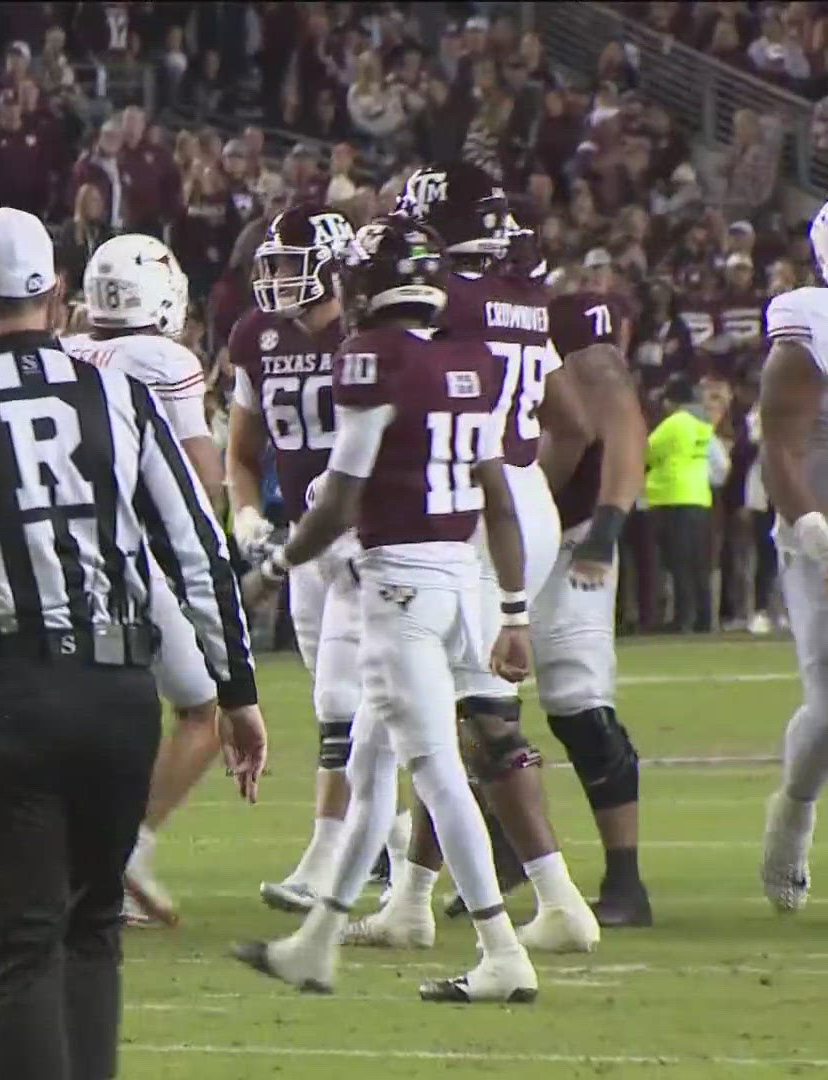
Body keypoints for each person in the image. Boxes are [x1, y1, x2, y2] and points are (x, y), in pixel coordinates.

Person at [0, 206, 254, 1078]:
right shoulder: (124, 396)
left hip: (13, 694)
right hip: (120, 693)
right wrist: (236, 692)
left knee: (17, 950)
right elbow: (198, 548)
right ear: (59, 295)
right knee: (92, 934)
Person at [234, 213, 539, 1004]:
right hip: (451, 580)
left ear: (364, 285)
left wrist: (274, 566)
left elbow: (339, 499)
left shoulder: (370, 359)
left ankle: (502, 951)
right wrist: (512, 611)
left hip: (396, 587)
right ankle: (317, 944)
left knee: (435, 773)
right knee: (370, 772)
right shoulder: (469, 360)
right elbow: (498, 502)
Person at [346, 163, 600, 954]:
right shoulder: (525, 299)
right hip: (519, 492)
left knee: (480, 714)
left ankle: (557, 898)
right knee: (450, 710)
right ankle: (413, 901)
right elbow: (575, 425)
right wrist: (524, 500)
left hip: (476, 506)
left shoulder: (445, 299)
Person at [61, 231, 265, 924]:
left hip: (52, 555)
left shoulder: (61, 349)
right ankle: (128, 851)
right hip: (140, 554)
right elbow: (203, 475)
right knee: (203, 710)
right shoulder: (163, 358)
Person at [226, 204, 384, 912]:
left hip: (368, 534)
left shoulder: (367, 333)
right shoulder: (256, 338)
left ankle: (329, 858)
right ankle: (393, 844)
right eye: (271, 266)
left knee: (341, 697)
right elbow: (241, 449)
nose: (275, 282)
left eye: (289, 266)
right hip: (303, 541)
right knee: (344, 695)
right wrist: (247, 511)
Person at [536, 255, 653, 926]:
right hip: (486, 529)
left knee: (579, 702)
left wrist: (606, 529)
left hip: (563, 532)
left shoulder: (574, 320)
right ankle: (498, 850)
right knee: (467, 704)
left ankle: (625, 878)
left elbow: (619, 421)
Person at [758, 198, 828, 912]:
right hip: (820, 509)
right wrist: (814, 531)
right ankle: (794, 812)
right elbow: (779, 442)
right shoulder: (809, 321)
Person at [644, 376, 718, 633]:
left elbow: (647, 451)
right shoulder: (704, 425)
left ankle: (682, 619)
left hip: (672, 498)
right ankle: (704, 619)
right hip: (700, 497)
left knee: (679, 563)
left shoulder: (675, 423)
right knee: (699, 563)